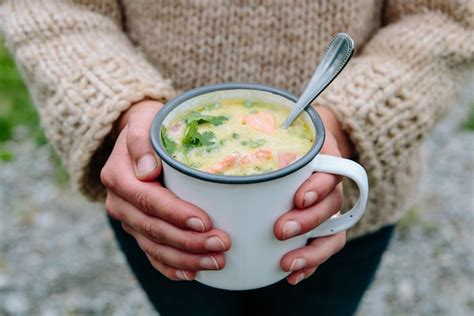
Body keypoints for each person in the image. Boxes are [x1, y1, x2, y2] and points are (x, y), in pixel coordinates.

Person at [1, 1, 472, 315]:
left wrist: (350, 125)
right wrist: (125, 111)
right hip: (161, 198)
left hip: (336, 218)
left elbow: (446, 16)